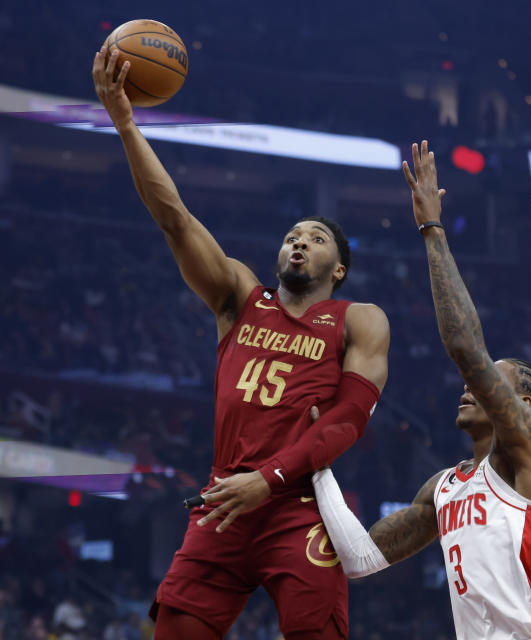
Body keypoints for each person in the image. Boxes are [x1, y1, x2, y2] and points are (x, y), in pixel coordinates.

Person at [92, 45, 390, 640]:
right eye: (291, 237)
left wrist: (271, 480)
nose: (298, 243)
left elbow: (347, 423)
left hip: (296, 506)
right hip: (225, 498)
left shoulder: (358, 319)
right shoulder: (239, 298)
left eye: (315, 239)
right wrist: (126, 123)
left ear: (338, 270)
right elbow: (174, 216)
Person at [311, 141, 531, 639]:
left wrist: (432, 229)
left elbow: (465, 347)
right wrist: (316, 464)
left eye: (489, 381)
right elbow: (360, 557)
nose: (469, 386)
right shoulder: (444, 487)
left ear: (521, 406)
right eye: (476, 381)